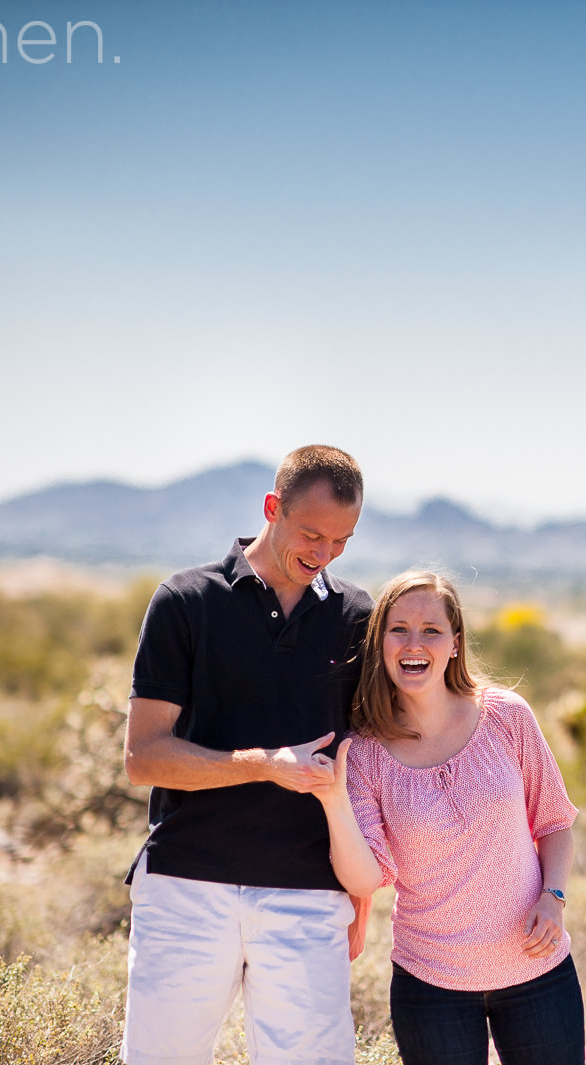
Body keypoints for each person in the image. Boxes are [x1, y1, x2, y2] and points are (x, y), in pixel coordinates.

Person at [121, 444, 373, 1065]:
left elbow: (367, 765)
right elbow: (144, 757)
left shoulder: (357, 617)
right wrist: (265, 764)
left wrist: (360, 895)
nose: (323, 556)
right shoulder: (186, 601)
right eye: (312, 534)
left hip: (308, 893)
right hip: (186, 884)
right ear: (271, 508)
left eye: (341, 542)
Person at [310, 570, 584, 1065]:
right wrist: (333, 802)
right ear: (380, 642)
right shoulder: (367, 753)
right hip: (430, 987)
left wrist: (554, 896)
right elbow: (366, 877)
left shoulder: (507, 716)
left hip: (537, 971)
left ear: (455, 643)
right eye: (399, 629)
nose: (414, 643)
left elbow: (554, 821)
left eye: (431, 630)